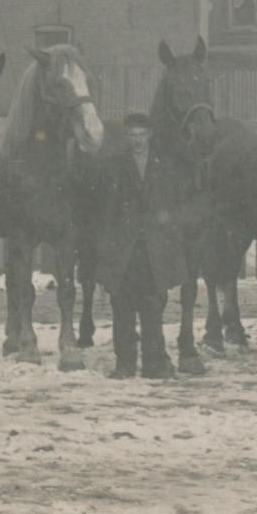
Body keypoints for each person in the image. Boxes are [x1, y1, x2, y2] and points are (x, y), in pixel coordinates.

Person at [91, 112, 182, 380]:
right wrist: (107, 254)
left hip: (153, 250)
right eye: (132, 135)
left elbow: (171, 206)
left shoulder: (163, 165)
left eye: (142, 135)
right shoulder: (113, 166)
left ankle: (154, 364)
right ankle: (125, 364)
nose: (138, 140)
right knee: (122, 308)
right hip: (124, 251)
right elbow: (106, 213)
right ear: (126, 137)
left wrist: (169, 247)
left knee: (153, 309)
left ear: (149, 135)